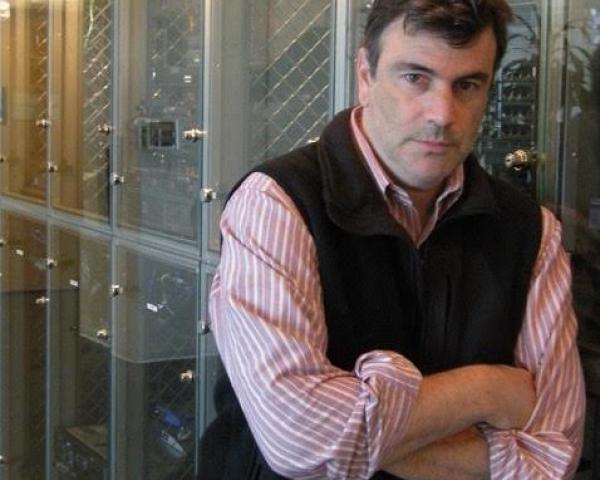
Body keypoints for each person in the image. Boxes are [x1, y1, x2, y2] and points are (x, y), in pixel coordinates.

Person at [201, 1, 586, 478]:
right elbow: (299, 444)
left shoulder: (531, 231)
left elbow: (553, 457)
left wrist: (362, 433)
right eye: (415, 77)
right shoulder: (277, 203)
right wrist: (487, 390)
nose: (442, 114)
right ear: (366, 74)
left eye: (467, 85)